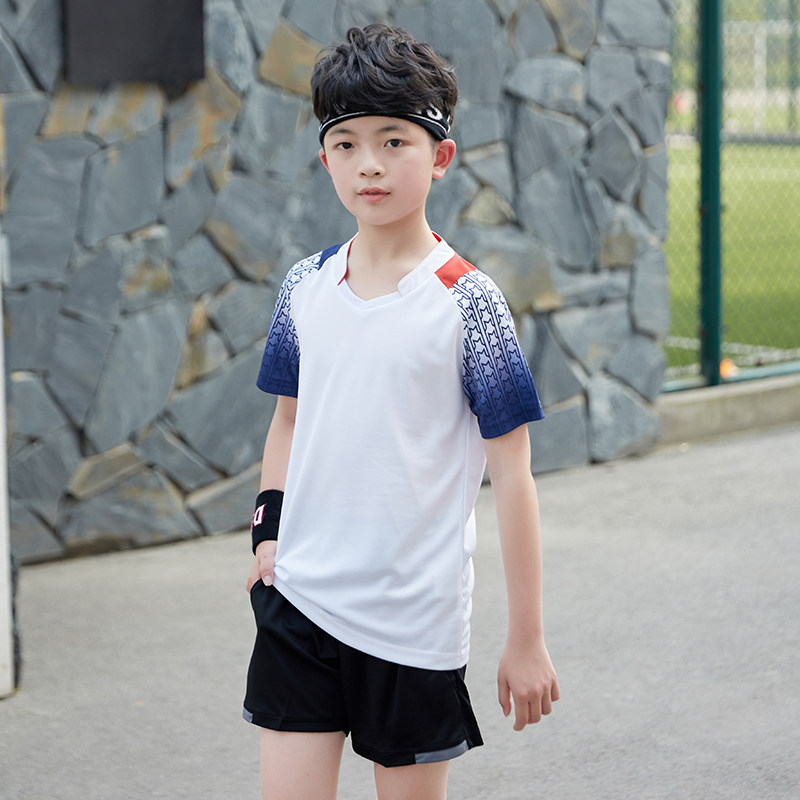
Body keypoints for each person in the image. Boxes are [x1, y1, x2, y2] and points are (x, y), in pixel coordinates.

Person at [243, 23, 559, 800]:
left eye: (394, 141)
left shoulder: (470, 303)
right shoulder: (305, 286)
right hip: (300, 601)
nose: (369, 165)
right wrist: (267, 534)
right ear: (325, 158)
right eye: (346, 144)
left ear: (440, 156)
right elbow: (289, 419)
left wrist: (526, 639)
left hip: (411, 625)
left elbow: (513, 478)